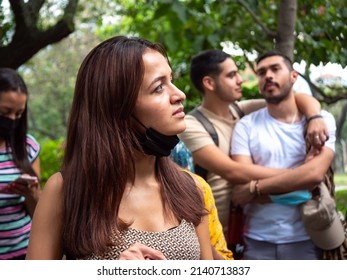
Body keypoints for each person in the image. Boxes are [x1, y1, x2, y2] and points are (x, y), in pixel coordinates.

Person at [26, 36, 213, 260]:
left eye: (171, 80)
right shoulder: (66, 190)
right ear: (117, 108)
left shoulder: (191, 188)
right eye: (158, 87)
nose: (179, 95)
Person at [179, 49, 328, 232]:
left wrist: (315, 117)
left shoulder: (240, 110)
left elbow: (294, 98)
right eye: (232, 75)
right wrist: (302, 174)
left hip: (243, 223)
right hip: (213, 231)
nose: (240, 80)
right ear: (209, 83)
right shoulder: (192, 125)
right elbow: (233, 171)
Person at [230, 50, 336, 259]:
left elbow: (314, 176)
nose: (268, 75)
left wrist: (256, 188)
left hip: (307, 235)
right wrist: (299, 178)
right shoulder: (246, 126)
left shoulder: (321, 121)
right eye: (261, 72)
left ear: (293, 76)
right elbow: (242, 182)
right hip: (257, 237)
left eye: (275, 69)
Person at [0, 68, 41, 260]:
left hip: (22, 254)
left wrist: (32, 195)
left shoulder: (28, 146)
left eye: (18, 114)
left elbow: (38, 215)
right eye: (5, 112)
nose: (12, 120)